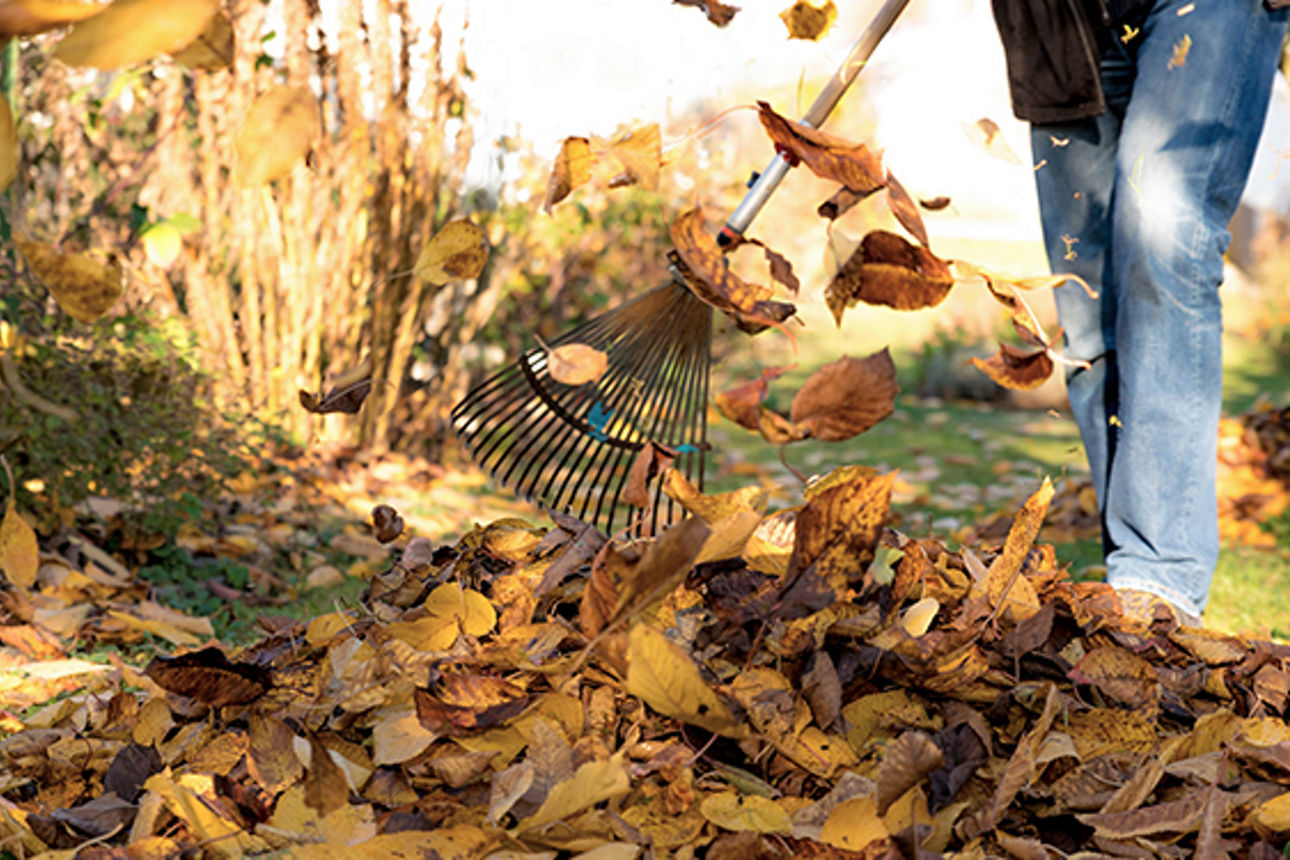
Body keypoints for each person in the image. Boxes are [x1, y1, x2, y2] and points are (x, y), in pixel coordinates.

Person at [990, 0, 1290, 626]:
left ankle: (1160, 577)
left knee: (1165, 232)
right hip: (1055, 21)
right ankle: (1132, 579)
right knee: (1085, 297)